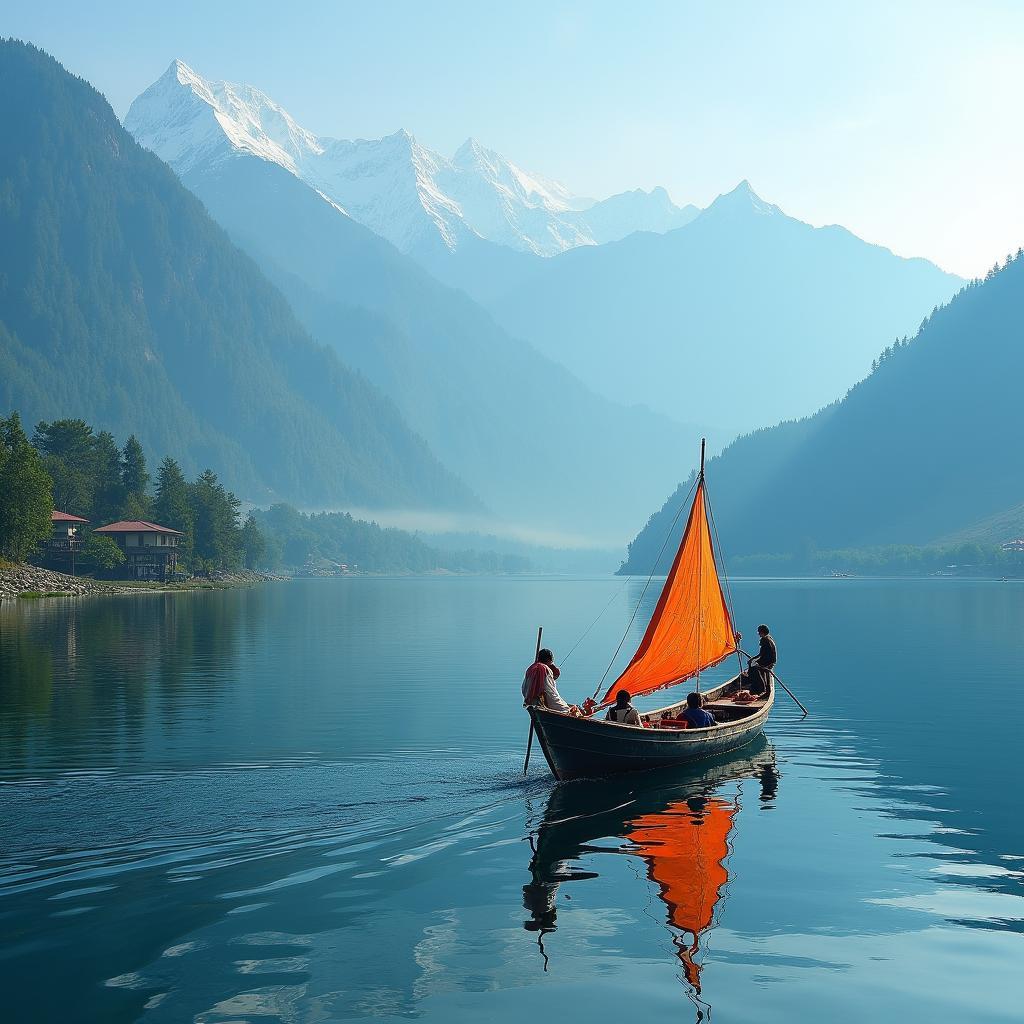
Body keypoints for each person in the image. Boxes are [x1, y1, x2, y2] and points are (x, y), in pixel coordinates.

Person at [522, 648, 571, 713]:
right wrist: (565, 708)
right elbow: (551, 692)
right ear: (548, 659)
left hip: (531, 701)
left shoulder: (530, 668)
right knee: (566, 710)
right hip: (543, 702)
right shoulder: (545, 669)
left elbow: (524, 688)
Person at [746, 624, 777, 695]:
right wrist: (753, 659)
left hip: (768, 662)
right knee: (753, 664)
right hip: (771, 661)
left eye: (759, 632)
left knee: (753, 669)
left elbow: (761, 654)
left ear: (762, 632)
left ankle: (760, 688)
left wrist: (752, 660)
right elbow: (762, 654)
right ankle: (764, 687)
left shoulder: (765, 640)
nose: (759, 634)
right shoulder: (769, 638)